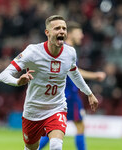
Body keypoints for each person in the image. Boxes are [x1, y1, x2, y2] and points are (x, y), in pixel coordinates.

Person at [0, 15, 98, 150]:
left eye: (64, 28)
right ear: (47, 32)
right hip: (33, 110)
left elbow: (75, 74)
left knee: (56, 145)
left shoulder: (70, 52)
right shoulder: (32, 52)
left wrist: (89, 93)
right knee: (31, 148)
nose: (61, 31)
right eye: (57, 28)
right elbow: (3, 75)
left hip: (56, 107)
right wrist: (17, 81)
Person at [39, 22, 106, 150]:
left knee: (54, 128)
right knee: (78, 126)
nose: (81, 36)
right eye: (79, 32)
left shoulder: (62, 49)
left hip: (61, 94)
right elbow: (74, 72)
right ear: (70, 34)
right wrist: (95, 75)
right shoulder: (68, 50)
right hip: (69, 95)